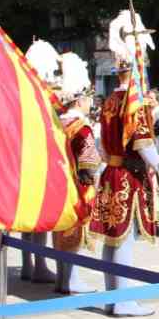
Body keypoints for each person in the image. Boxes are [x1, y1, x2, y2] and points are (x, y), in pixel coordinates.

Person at [89, 12, 159, 317]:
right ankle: (122, 301)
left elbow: (101, 142)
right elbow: (143, 142)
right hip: (129, 175)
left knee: (113, 238)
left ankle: (114, 297)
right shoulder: (136, 103)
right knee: (124, 238)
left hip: (111, 171)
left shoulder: (110, 99)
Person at [55, 85, 99, 294]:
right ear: (80, 101)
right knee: (74, 229)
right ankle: (71, 280)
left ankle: (61, 278)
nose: (90, 104)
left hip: (56, 182)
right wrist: (93, 178)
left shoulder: (56, 122)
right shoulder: (82, 127)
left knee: (59, 231)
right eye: (89, 100)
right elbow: (89, 161)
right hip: (75, 184)